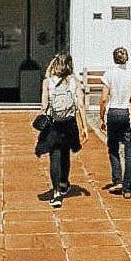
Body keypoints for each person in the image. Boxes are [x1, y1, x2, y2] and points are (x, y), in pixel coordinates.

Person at [35, 51, 88, 208]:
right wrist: (84, 126)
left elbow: (44, 105)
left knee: (54, 156)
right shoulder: (75, 82)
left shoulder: (47, 82)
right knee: (65, 153)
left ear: (55, 65)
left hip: (54, 124)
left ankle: (56, 192)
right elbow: (81, 105)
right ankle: (64, 182)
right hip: (69, 123)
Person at [99, 46, 131, 199]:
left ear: (114, 58)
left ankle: (117, 180)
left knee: (113, 147)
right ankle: (128, 188)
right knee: (130, 150)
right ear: (127, 58)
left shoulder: (109, 74)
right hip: (129, 114)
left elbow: (103, 99)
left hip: (114, 113)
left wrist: (101, 117)